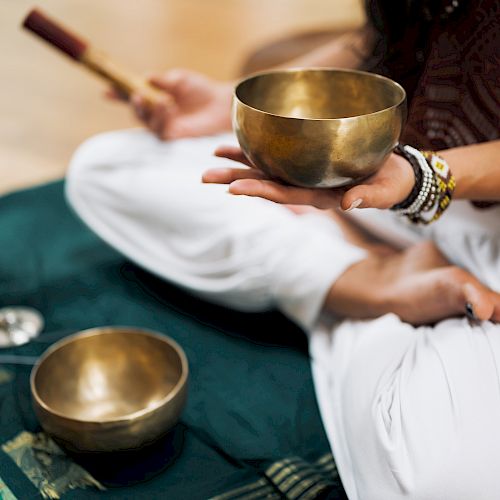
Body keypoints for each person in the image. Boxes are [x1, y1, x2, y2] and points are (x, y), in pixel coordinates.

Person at [66, 0, 500, 498]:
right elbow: (384, 37)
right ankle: (362, 280)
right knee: (106, 170)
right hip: (383, 174)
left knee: (435, 482)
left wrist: (424, 179)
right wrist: (237, 106)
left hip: (474, 219)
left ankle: (342, 282)